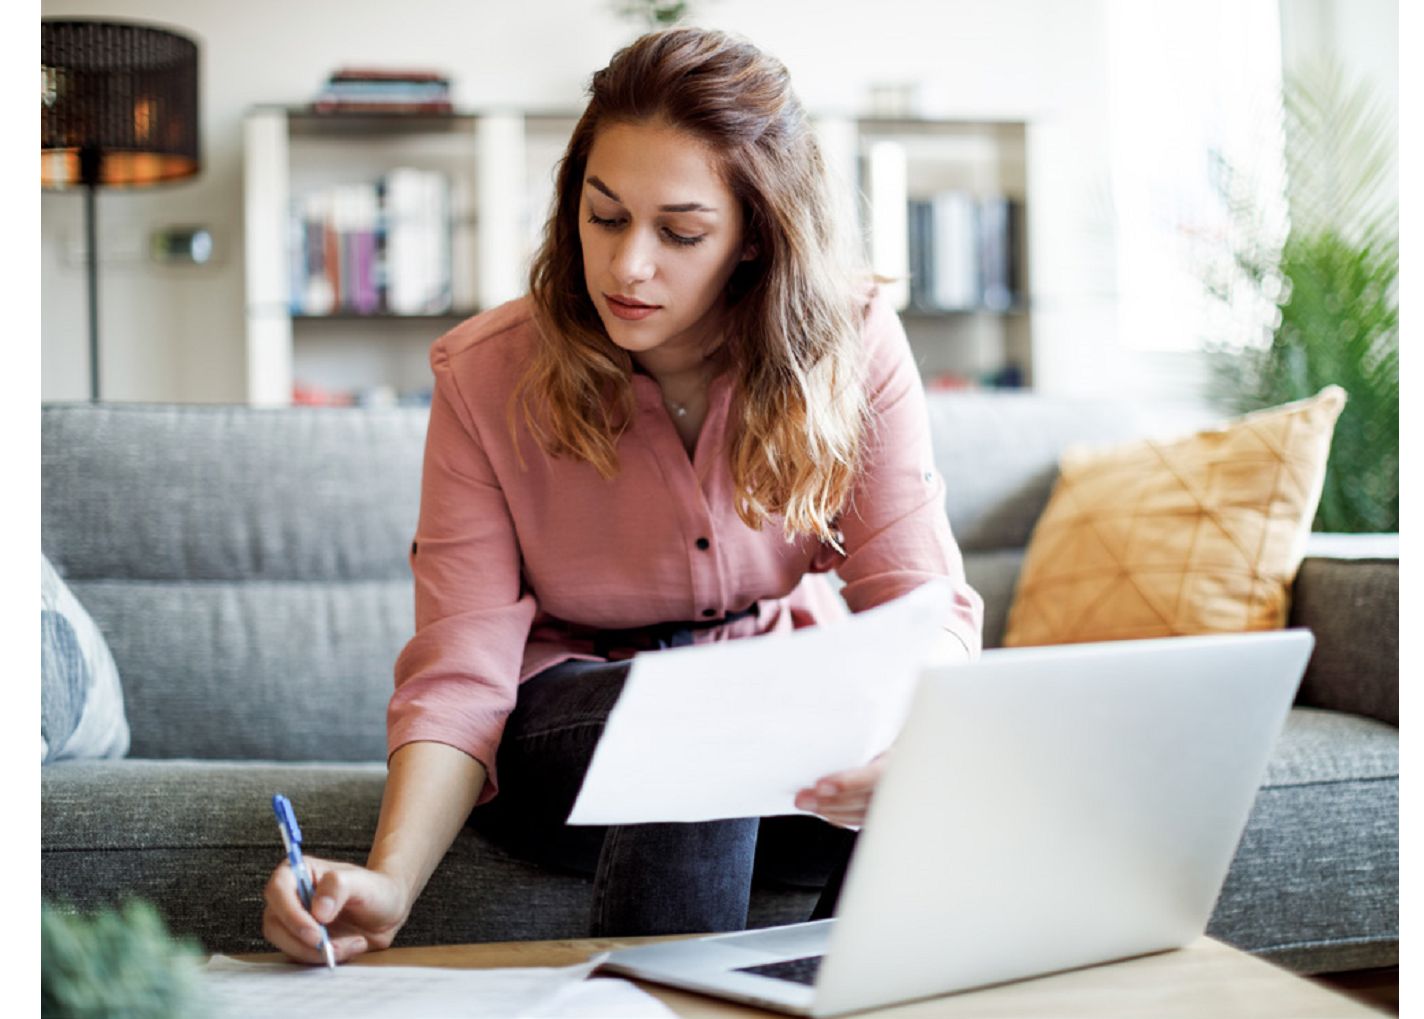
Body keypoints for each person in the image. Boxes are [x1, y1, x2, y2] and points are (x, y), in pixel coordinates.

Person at [261, 26, 983, 964]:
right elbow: (461, 670)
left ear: (757, 237)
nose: (628, 266)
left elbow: (924, 604)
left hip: (780, 706)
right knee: (705, 716)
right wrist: (389, 881)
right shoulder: (485, 377)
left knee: (937, 777)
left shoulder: (850, 341)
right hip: (569, 722)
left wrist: (917, 745)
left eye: (679, 232)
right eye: (605, 219)